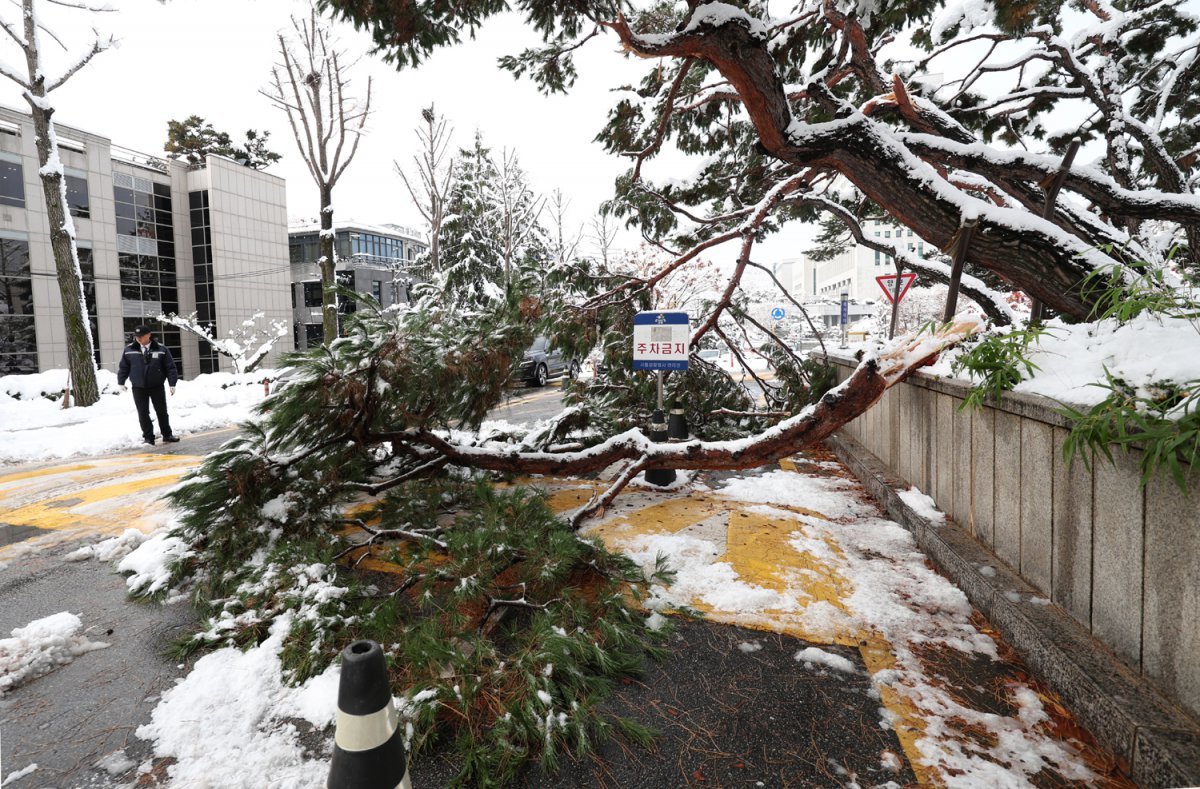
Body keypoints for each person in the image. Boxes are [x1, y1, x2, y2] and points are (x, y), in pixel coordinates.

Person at [117, 325, 180, 445]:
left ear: (149, 335)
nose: (139, 339)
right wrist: (121, 381)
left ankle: (167, 435)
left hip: (157, 386)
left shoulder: (161, 349)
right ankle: (148, 437)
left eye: (141, 336)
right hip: (138, 387)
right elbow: (124, 367)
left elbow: (170, 368)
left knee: (161, 411)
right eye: (137, 337)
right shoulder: (129, 350)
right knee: (143, 412)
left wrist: (172, 383)